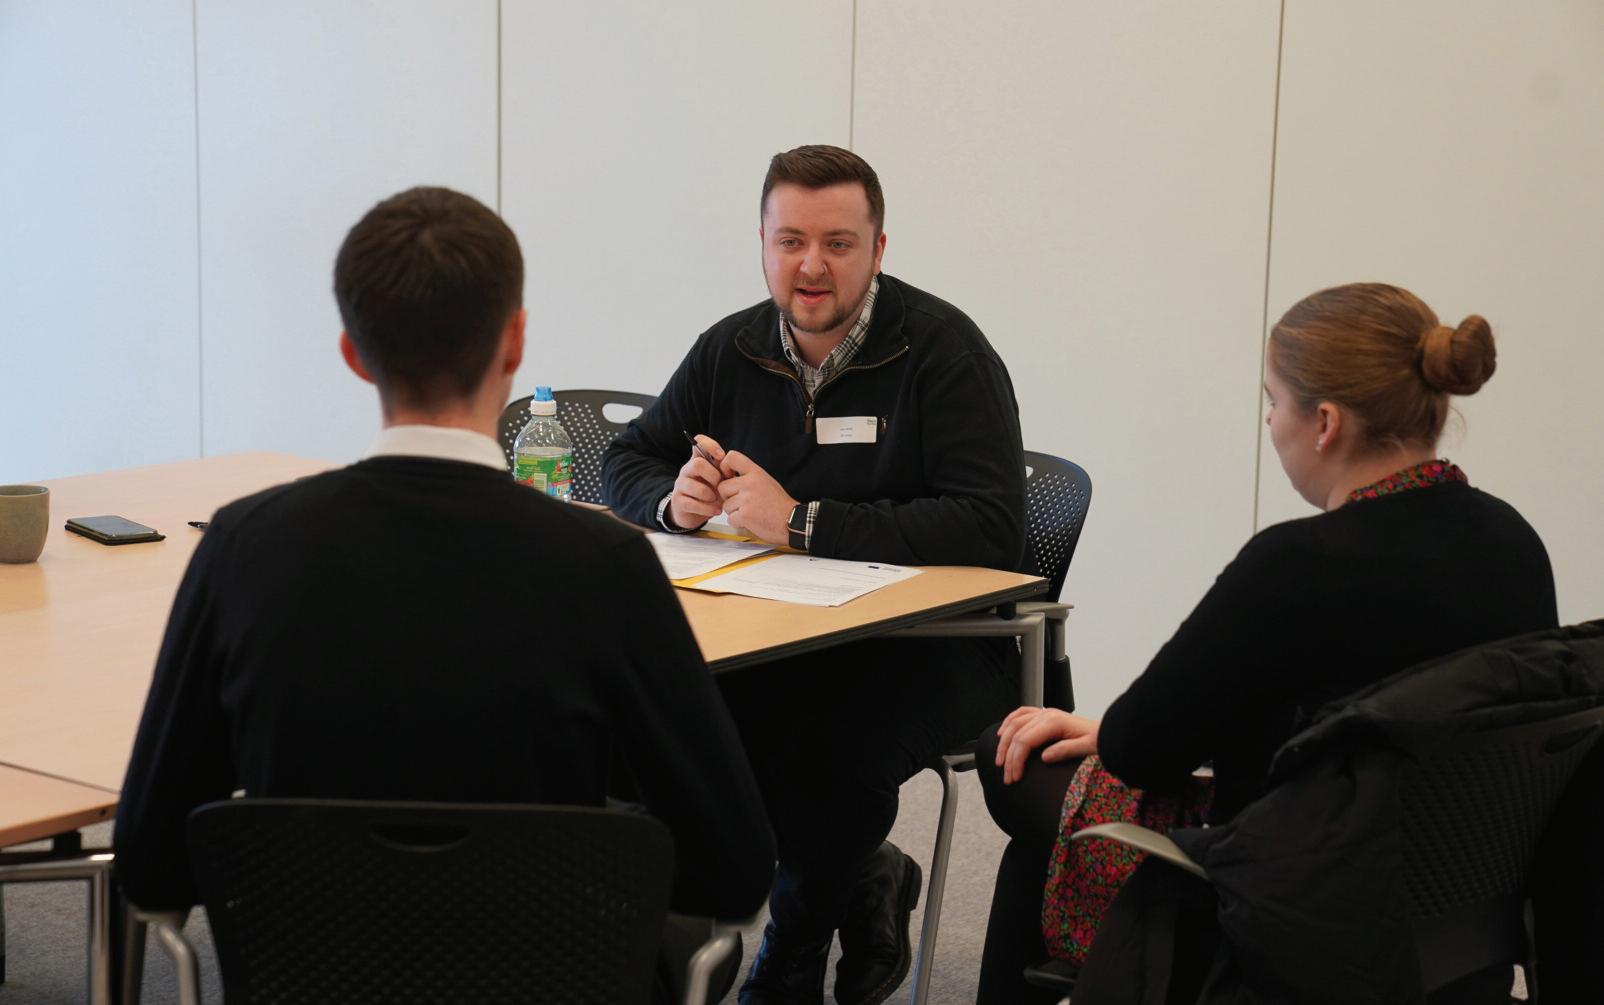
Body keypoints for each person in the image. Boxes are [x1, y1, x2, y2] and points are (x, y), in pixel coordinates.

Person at [114, 186, 775, 1001]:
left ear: (353, 353)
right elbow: (734, 867)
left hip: (309, 980)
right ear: (515, 341)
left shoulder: (243, 548)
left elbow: (151, 862)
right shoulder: (603, 563)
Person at [974, 282, 1558, 1003]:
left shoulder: (1299, 564)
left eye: (1273, 401)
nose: (1270, 421)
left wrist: (1113, 731)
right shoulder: (1514, 543)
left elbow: (1141, 751)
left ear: (1325, 423)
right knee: (1045, 834)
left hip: (1298, 903)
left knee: (1009, 756)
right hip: (1459, 904)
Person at [601, 145, 1028, 1005]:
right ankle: (865, 871)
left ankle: (790, 956)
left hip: (939, 641)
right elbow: (626, 458)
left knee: (829, 757)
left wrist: (802, 523)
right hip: (793, 629)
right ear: (762, 243)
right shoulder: (732, 347)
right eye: (790, 240)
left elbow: (991, 524)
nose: (811, 266)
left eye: (838, 243)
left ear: (879, 249)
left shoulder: (944, 352)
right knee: (661, 718)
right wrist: (672, 502)